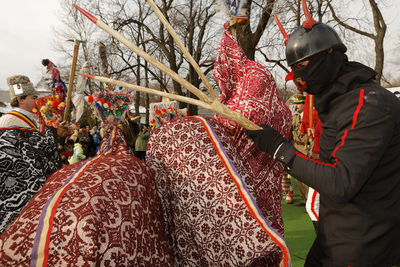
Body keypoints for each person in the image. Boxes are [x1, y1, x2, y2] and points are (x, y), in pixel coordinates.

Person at [247, 1, 400, 266]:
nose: (298, 78)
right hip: (335, 234)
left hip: (363, 246)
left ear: (329, 57)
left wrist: (280, 150)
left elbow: (341, 181)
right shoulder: (337, 101)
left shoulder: (369, 102)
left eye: (303, 65)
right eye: (294, 69)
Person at [0, 75, 62, 233]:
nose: (37, 101)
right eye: (33, 97)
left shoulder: (34, 119)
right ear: (20, 99)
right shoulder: (9, 121)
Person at [289, 94, 309, 205]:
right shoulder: (295, 117)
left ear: (304, 104)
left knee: (306, 176)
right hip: (296, 147)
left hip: (306, 148)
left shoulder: (310, 117)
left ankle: (309, 200)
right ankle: (303, 198)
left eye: (299, 103)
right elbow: (289, 128)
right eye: (296, 103)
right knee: (297, 176)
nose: (296, 106)